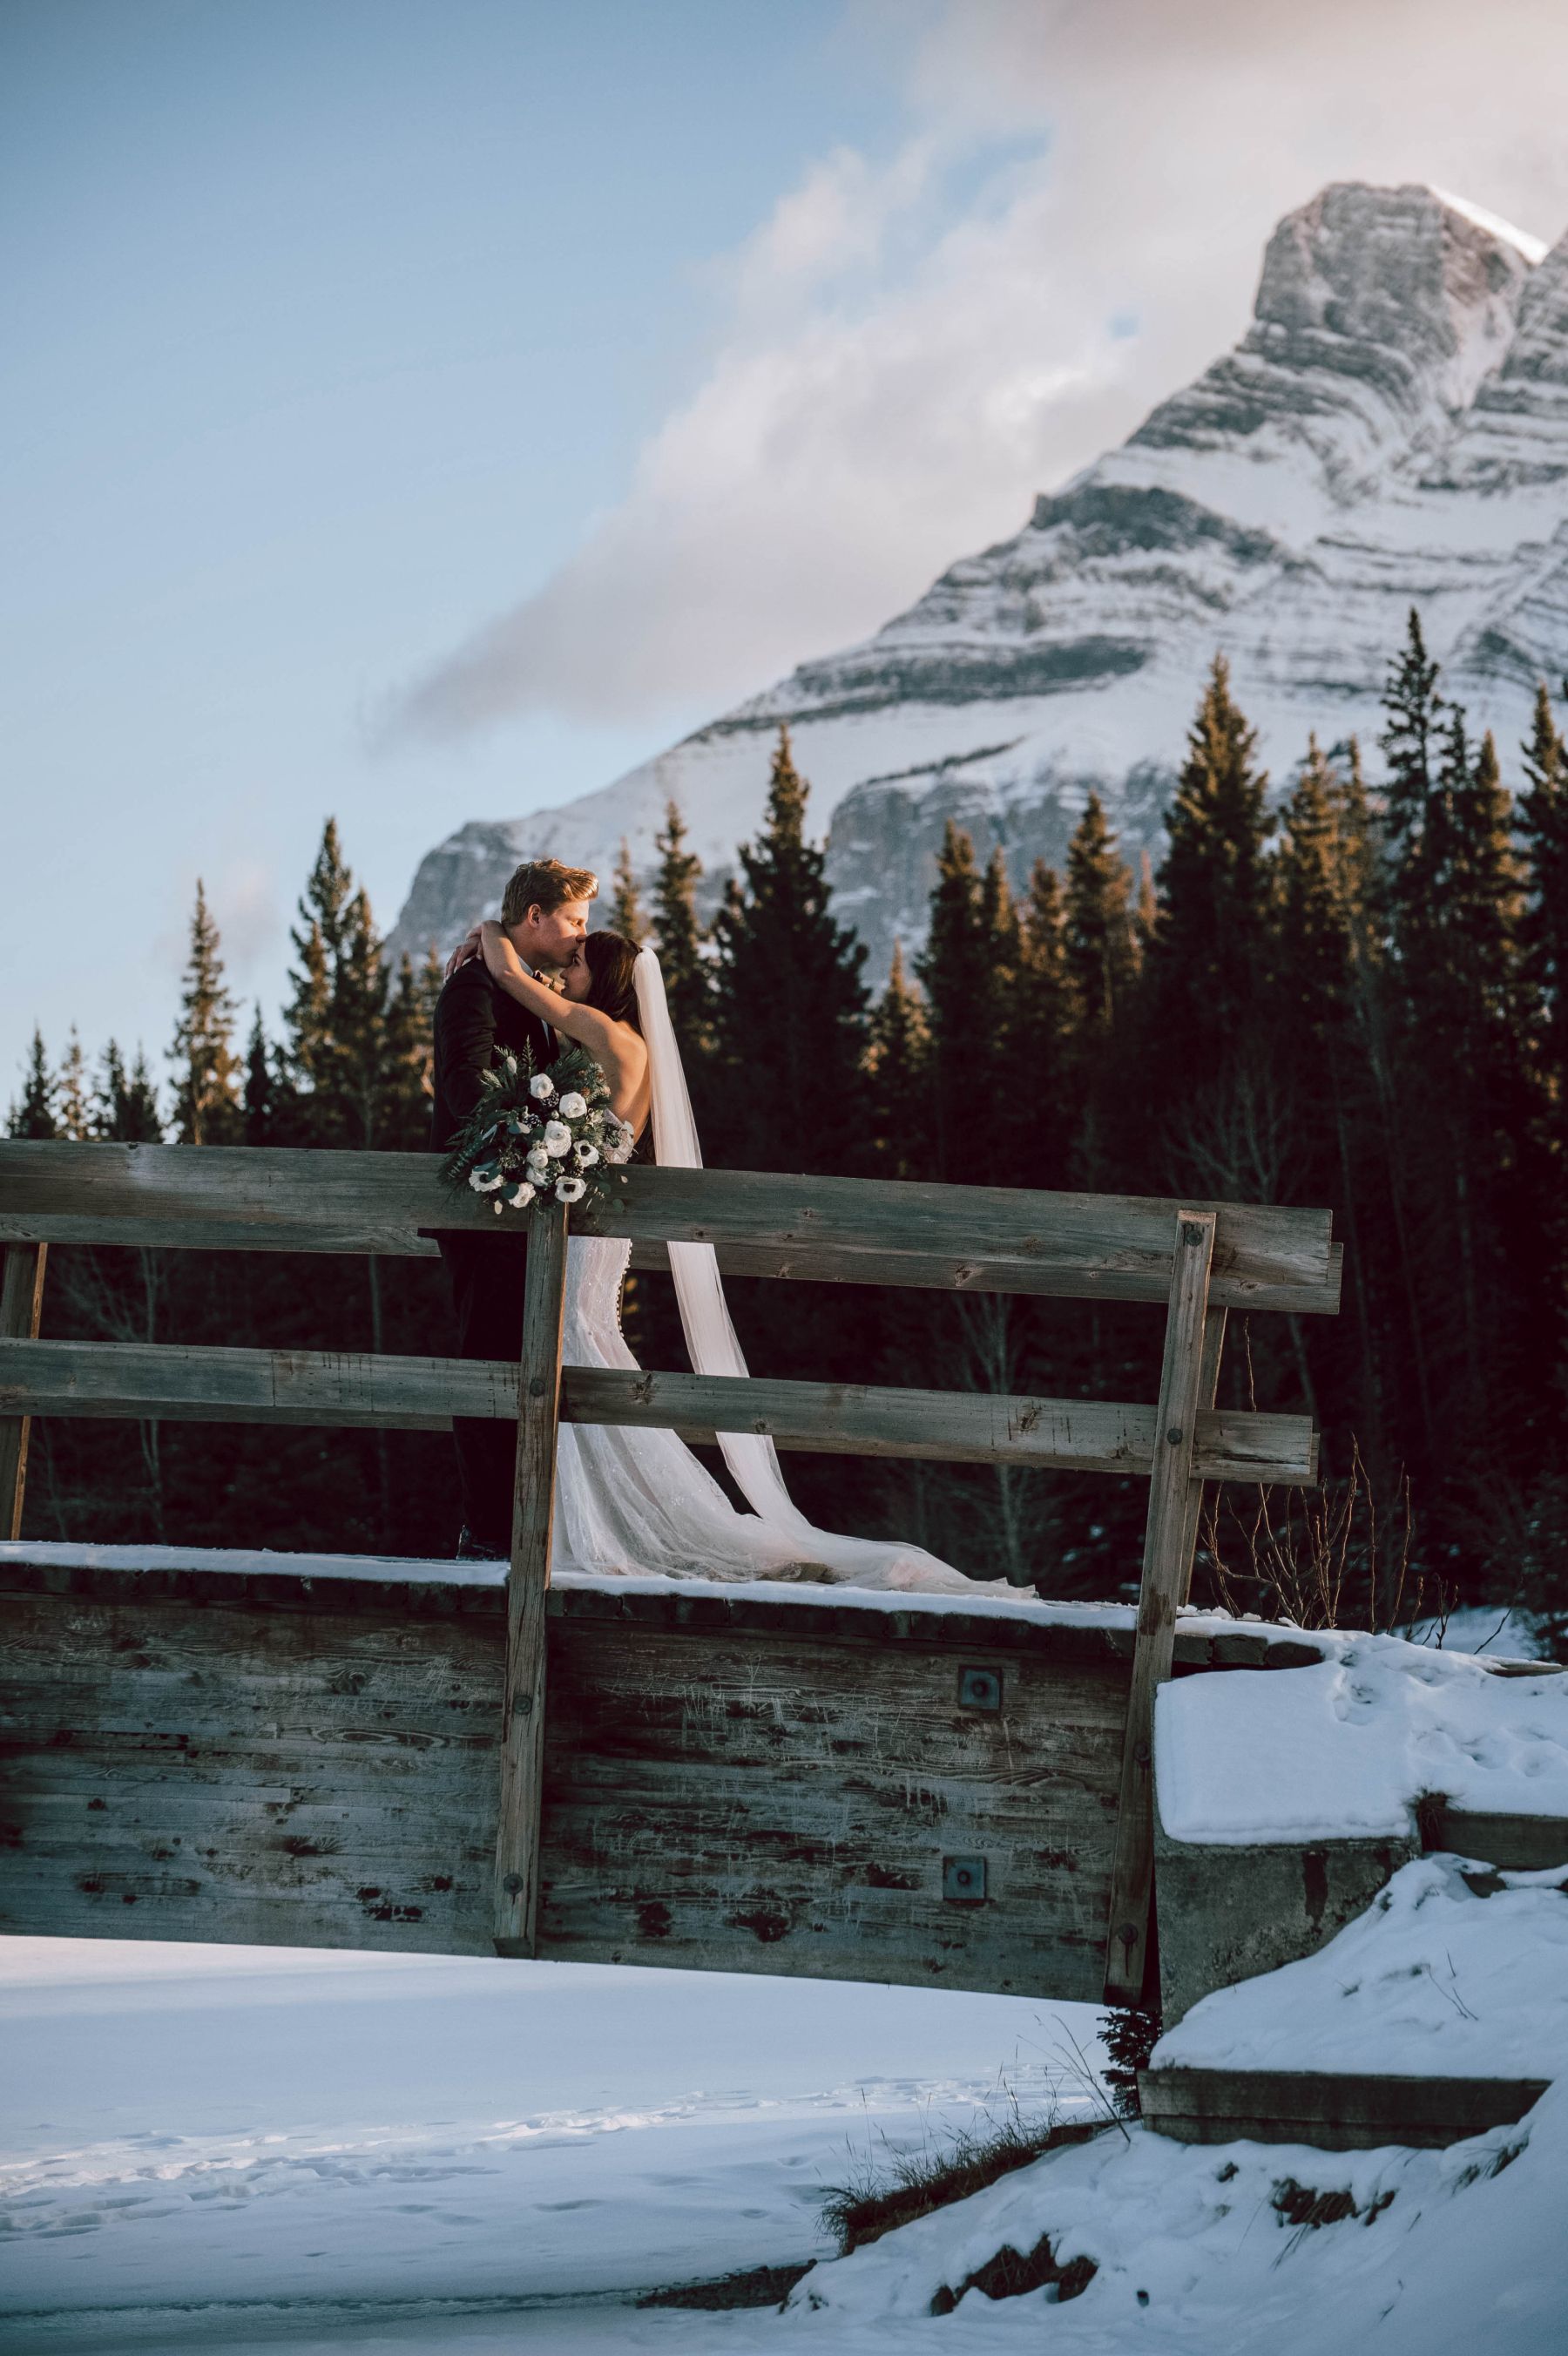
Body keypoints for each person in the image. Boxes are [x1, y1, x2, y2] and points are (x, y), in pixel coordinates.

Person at [444, 908, 994, 1594]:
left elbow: (509, 978)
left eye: (580, 962)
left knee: (572, 1341)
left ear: (610, 982)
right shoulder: (622, 1044)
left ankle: (585, 1524)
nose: (567, 970)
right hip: (598, 1232)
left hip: (586, 1237)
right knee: (582, 1344)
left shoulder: (609, 1035)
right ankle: (582, 1516)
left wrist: (491, 933)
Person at [429, 856, 598, 1557]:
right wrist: (527, 1142)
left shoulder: (527, 983)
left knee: (530, 1368)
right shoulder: (474, 987)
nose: (581, 936)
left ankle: (532, 1529)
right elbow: (462, 1086)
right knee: (486, 1366)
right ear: (535, 918)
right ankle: (488, 1534)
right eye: (574, 921)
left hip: (531, 1209)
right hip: (487, 1211)